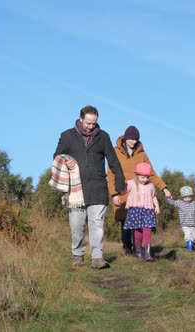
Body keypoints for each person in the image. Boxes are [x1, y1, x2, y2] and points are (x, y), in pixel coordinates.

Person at [53, 105, 126, 269]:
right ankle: (77, 256)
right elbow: (56, 156)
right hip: (75, 190)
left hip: (98, 188)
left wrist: (119, 186)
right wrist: (66, 159)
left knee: (97, 225)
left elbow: (113, 161)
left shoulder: (103, 137)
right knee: (76, 225)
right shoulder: (67, 136)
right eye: (88, 123)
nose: (91, 126)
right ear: (80, 119)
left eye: (94, 123)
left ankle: (97, 258)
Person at [107, 125, 172, 255]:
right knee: (125, 222)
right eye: (131, 139)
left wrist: (164, 188)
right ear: (125, 138)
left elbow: (151, 173)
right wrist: (114, 194)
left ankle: (138, 249)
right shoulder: (115, 152)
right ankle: (127, 248)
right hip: (123, 192)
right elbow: (110, 175)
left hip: (140, 194)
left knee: (139, 224)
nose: (133, 141)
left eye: (136, 139)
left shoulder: (142, 154)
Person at [123, 162, 160, 261]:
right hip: (135, 210)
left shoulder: (151, 186)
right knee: (138, 233)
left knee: (147, 231)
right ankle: (139, 253)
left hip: (148, 211)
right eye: (143, 177)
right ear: (137, 175)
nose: (145, 180)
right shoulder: (131, 183)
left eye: (147, 177)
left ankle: (148, 254)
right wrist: (118, 190)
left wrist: (157, 206)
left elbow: (154, 197)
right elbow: (123, 191)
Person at [166, 186, 195, 252]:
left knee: (194, 238)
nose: (188, 199)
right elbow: (172, 203)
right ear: (182, 197)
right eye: (185, 197)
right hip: (185, 224)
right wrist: (168, 197)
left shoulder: (194, 203)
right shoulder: (180, 203)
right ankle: (189, 250)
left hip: (194, 224)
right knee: (188, 236)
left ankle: (193, 246)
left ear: (192, 196)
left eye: (189, 197)